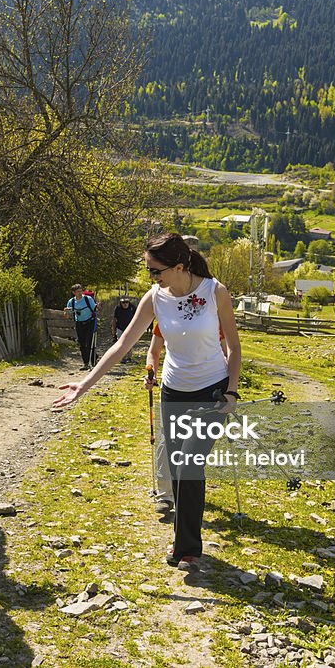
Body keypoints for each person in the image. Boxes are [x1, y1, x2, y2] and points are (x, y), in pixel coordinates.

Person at [54, 233, 242, 571]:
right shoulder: (155, 298)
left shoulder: (216, 292)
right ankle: (184, 540)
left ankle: (186, 547)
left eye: (155, 271)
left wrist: (231, 390)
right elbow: (122, 345)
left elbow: (234, 347)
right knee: (175, 467)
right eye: (148, 271)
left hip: (211, 390)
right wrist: (83, 385)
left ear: (180, 266)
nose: (151, 278)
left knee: (189, 463)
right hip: (173, 391)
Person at [147, 321, 230, 515]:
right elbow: (154, 350)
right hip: (174, 386)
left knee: (193, 446)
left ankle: (186, 494)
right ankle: (166, 494)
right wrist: (151, 370)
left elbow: (228, 352)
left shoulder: (215, 318)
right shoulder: (166, 314)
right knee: (168, 440)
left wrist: (229, 389)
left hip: (207, 388)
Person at [64, 284, 98, 370]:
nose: (80, 293)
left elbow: (95, 309)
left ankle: (93, 362)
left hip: (90, 322)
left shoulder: (88, 299)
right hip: (79, 323)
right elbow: (67, 317)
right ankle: (86, 363)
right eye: (77, 292)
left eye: (81, 291)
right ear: (73, 292)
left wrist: (98, 306)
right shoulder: (71, 302)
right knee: (82, 343)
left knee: (90, 342)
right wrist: (66, 312)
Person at [111, 297, 137, 362]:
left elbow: (137, 317)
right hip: (120, 328)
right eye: (123, 302)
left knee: (129, 343)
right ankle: (122, 358)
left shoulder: (132, 308)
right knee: (120, 343)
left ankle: (129, 357)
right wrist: (113, 332)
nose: (125, 304)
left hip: (130, 328)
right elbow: (114, 320)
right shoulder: (118, 308)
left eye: (127, 302)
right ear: (121, 303)